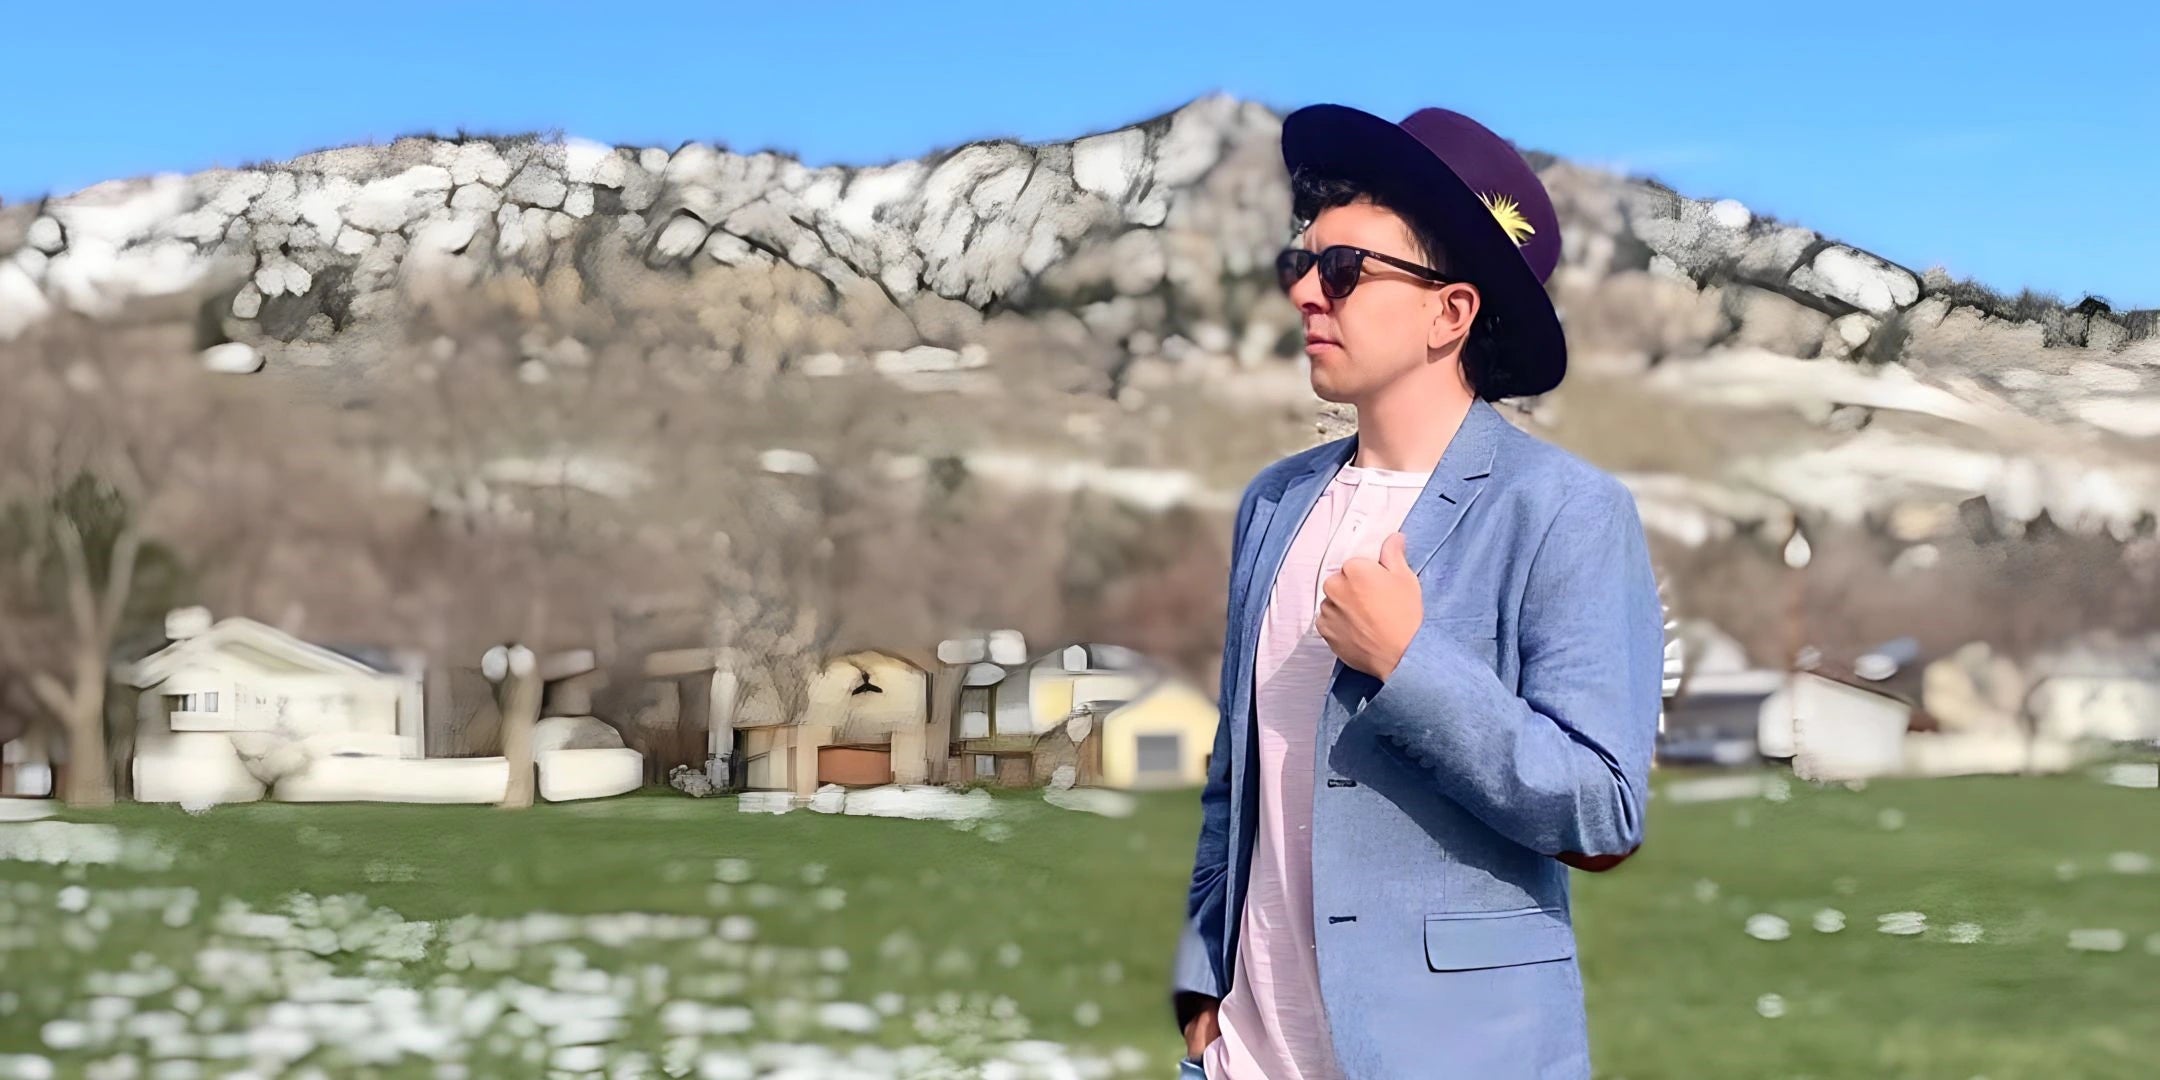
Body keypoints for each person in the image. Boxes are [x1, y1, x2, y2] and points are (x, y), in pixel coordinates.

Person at [1170, 104, 1665, 1079]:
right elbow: (1237, 776)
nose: (1308, 293)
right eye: (1299, 265)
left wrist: (1408, 663)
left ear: (1452, 311)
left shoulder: (1564, 511)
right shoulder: (1272, 506)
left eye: (1346, 270)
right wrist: (1201, 986)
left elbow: (1605, 810)